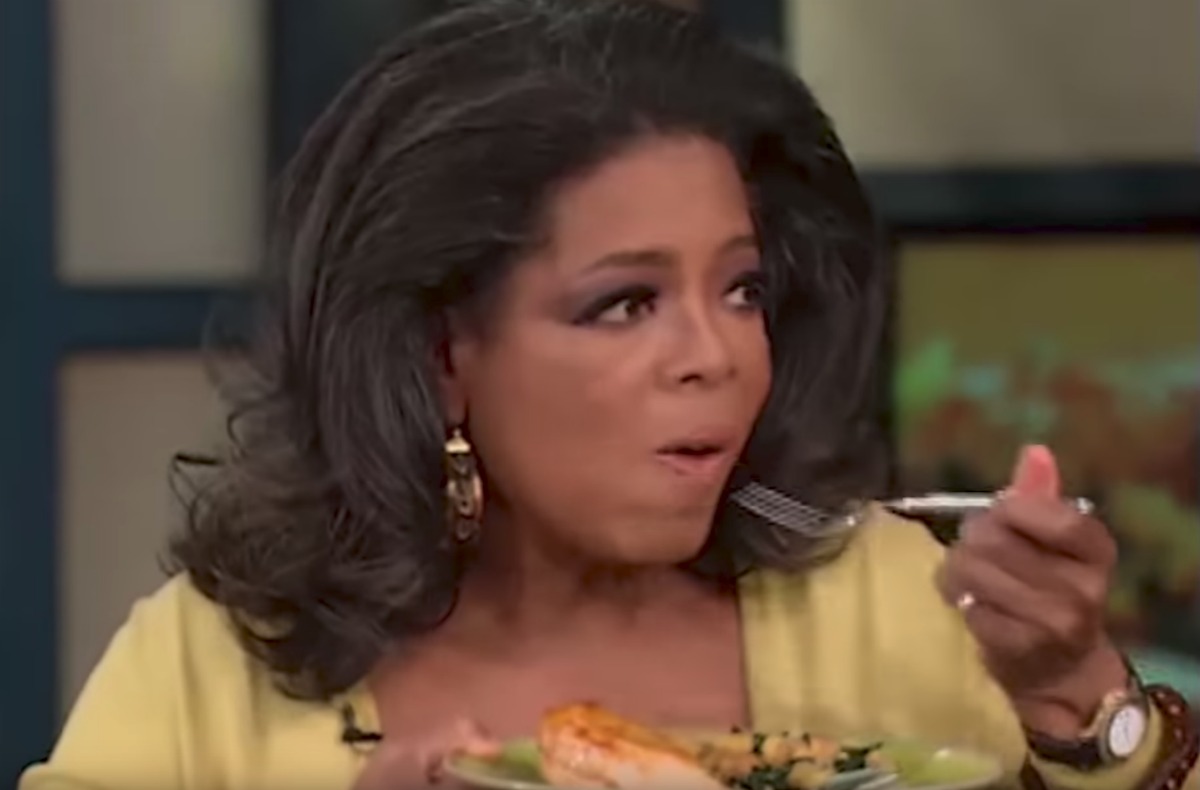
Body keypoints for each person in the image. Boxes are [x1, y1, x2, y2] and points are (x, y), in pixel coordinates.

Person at [20, 1, 1197, 788]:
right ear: (440, 353)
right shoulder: (215, 665)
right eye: (626, 303)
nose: (718, 355)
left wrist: (1076, 698)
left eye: (741, 290)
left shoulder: (897, 607)